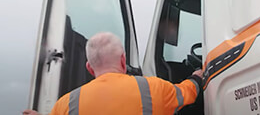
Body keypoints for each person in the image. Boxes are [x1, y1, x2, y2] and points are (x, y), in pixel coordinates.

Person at [23, 32, 202, 115]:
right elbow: (188, 91)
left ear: (89, 68)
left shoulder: (66, 105)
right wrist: (197, 76)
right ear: (123, 60)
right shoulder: (153, 88)